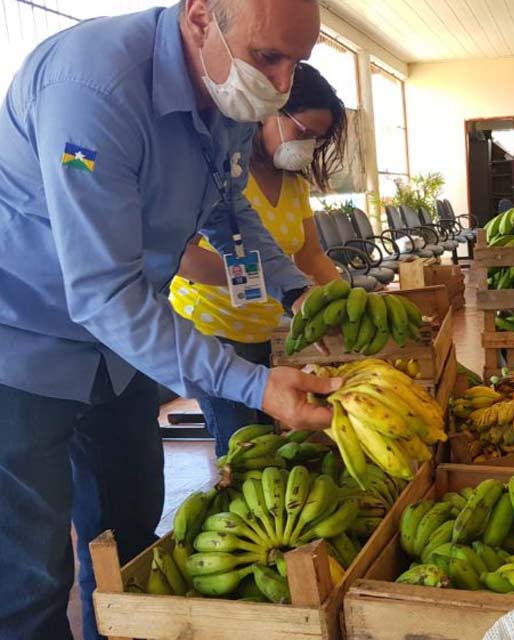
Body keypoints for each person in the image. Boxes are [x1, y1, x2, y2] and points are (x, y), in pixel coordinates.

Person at [0, 1, 340, 637]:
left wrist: (297, 292)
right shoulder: (92, 91)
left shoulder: (225, 92)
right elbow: (104, 292)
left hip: (119, 354)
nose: (281, 84)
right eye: (268, 57)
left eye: (297, 63)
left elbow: (230, 209)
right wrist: (254, 385)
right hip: (21, 346)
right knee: (29, 579)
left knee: (130, 546)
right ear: (201, 17)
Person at [170, 63, 345, 457]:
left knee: (270, 438)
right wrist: (251, 278)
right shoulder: (225, 175)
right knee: (243, 445)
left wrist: (343, 298)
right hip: (213, 330)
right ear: (269, 112)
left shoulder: (294, 185)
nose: (308, 146)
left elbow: (311, 254)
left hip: (266, 331)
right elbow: (182, 256)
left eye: (317, 139)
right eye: (303, 132)